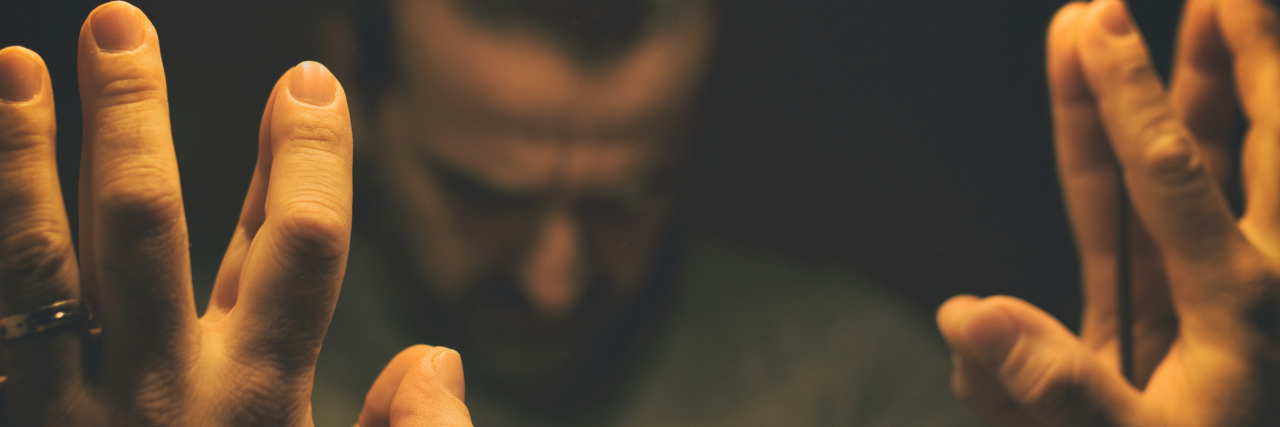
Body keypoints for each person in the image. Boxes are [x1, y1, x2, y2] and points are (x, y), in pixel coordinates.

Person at [3, 1, 1280, 427]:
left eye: (628, 194)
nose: (560, 276)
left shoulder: (871, 389)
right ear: (355, 97)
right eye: (486, 192)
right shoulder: (148, 386)